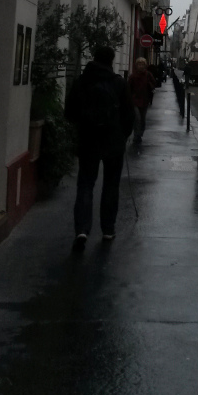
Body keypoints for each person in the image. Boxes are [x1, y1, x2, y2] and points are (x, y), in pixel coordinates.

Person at [65, 46, 134, 253]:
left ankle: (82, 229)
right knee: (111, 185)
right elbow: (129, 115)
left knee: (86, 184)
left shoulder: (82, 81)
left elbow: (69, 112)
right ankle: (108, 229)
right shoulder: (119, 83)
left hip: (88, 140)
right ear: (112, 61)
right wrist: (122, 135)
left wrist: (82, 127)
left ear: (94, 58)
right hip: (113, 142)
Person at [128, 57, 156, 145]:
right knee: (137, 118)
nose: (141, 66)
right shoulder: (133, 76)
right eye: (139, 64)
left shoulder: (148, 75)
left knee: (142, 119)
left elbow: (154, 84)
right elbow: (129, 88)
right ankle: (136, 135)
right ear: (136, 65)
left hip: (144, 100)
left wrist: (149, 85)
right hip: (135, 100)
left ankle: (140, 134)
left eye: (142, 64)